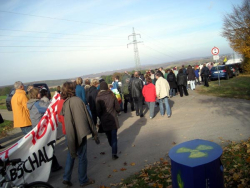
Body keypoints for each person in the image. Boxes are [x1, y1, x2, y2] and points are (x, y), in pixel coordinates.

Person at [60, 82, 99, 187]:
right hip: (79, 134)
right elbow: (87, 117)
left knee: (71, 155)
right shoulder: (77, 101)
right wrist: (94, 132)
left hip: (71, 134)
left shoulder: (65, 102)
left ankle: (66, 177)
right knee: (82, 157)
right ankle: (83, 180)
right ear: (72, 89)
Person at [27, 87, 62, 172]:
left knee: (44, 147)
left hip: (36, 128)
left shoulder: (30, 104)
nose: (40, 94)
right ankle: (53, 166)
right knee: (47, 147)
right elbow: (49, 107)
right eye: (39, 93)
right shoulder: (37, 104)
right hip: (41, 129)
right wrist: (56, 99)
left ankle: (53, 165)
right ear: (35, 94)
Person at [96, 82, 120, 160]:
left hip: (104, 120)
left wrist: (101, 117)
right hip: (113, 118)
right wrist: (117, 111)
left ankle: (113, 149)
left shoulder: (98, 97)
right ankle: (114, 153)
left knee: (109, 136)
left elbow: (98, 111)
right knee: (113, 136)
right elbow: (117, 107)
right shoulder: (112, 95)